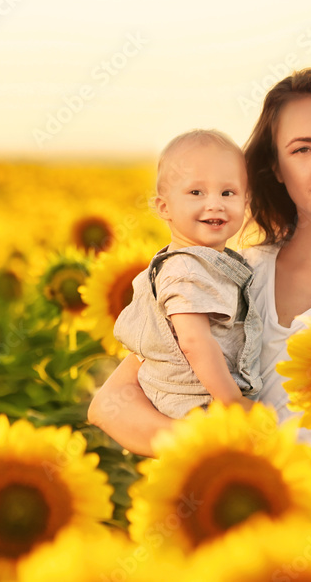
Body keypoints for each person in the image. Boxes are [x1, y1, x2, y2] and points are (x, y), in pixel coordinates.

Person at [87, 68, 311, 475]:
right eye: (302, 149)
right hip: (227, 511)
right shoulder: (236, 271)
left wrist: (281, 476)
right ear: (275, 167)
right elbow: (112, 403)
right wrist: (215, 452)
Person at [112, 130, 262, 420]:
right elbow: (195, 343)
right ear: (164, 207)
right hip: (195, 402)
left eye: (227, 192)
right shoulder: (186, 271)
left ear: (245, 202)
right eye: (196, 192)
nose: (214, 203)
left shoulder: (207, 261)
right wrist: (232, 402)